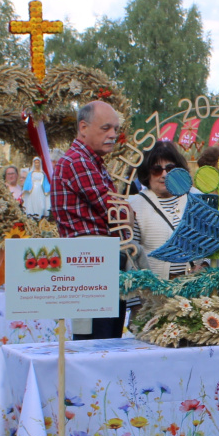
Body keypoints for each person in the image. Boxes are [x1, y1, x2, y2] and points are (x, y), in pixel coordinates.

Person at [51, 100, 127, 339]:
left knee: (103, 340)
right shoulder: (78, 161)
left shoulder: (90, 161)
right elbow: (116, 213)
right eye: (106, 128)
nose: (113, 134)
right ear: (83, 128)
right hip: (92, 264)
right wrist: (129, 210)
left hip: (97, 262)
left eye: (115, 129)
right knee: (98, 344)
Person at [129, 141, 191, 280]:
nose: (164, 174)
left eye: (170, 168)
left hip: (194, 287)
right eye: (157, 170)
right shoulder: (136, 205)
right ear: (147, 173)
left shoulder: (193, 198)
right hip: (155, 288)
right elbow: (132, 254)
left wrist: (203, 264)